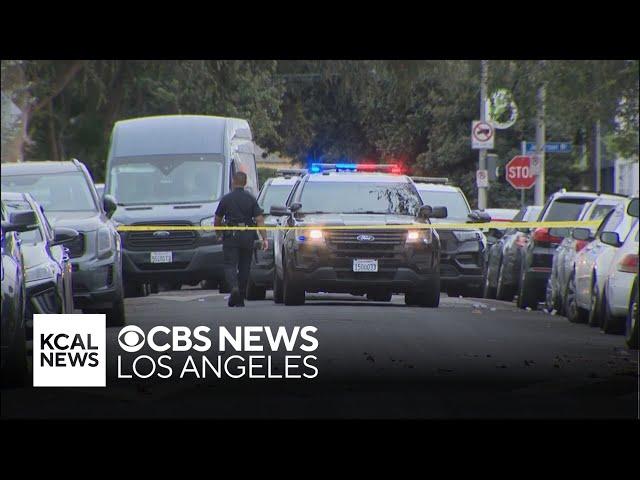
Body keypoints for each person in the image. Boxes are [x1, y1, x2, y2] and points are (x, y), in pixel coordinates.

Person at [214, 171, 268, 307]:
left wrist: (219, 234)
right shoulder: (250, 199)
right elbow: (259, 219)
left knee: (230, 265)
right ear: (245, 183)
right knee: (245, 266)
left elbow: (217, 219)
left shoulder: (226, 199)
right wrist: (264, 238)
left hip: (231, 236)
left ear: (233, 182)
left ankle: (234, 288)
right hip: (247, 236)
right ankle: (240, 294)